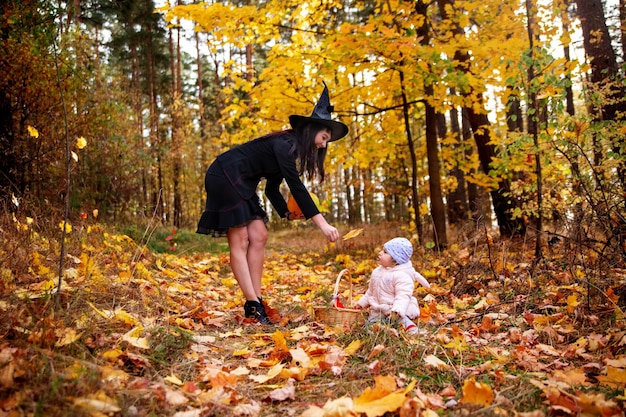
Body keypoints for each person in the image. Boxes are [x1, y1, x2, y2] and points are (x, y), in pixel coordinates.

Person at [197, 83, 349, 324]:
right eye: (324, 137)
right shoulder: (284, 145)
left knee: (260, 236)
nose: (323, 144)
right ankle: (254, 306)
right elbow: (296, 186)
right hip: (225, 174)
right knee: (240, 239)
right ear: (311, 130)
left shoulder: (291, 149)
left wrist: (287, 214)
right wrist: (323, 224)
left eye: (327, 141)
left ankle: (256, 302)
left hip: (243, 181)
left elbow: (271, 187)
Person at [354, 237, 430, 335]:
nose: (380, 253)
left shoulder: (401, 276)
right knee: (371, 325)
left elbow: (403, 296)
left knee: (401, 321)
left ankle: (412, 329)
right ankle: (381, 329)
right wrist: (361, 304)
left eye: (385, 252)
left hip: (394, 310)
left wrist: (397, 310)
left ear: (396, 260)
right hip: (378, 310)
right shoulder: (377, 272)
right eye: (382, 250)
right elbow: (370, 292)